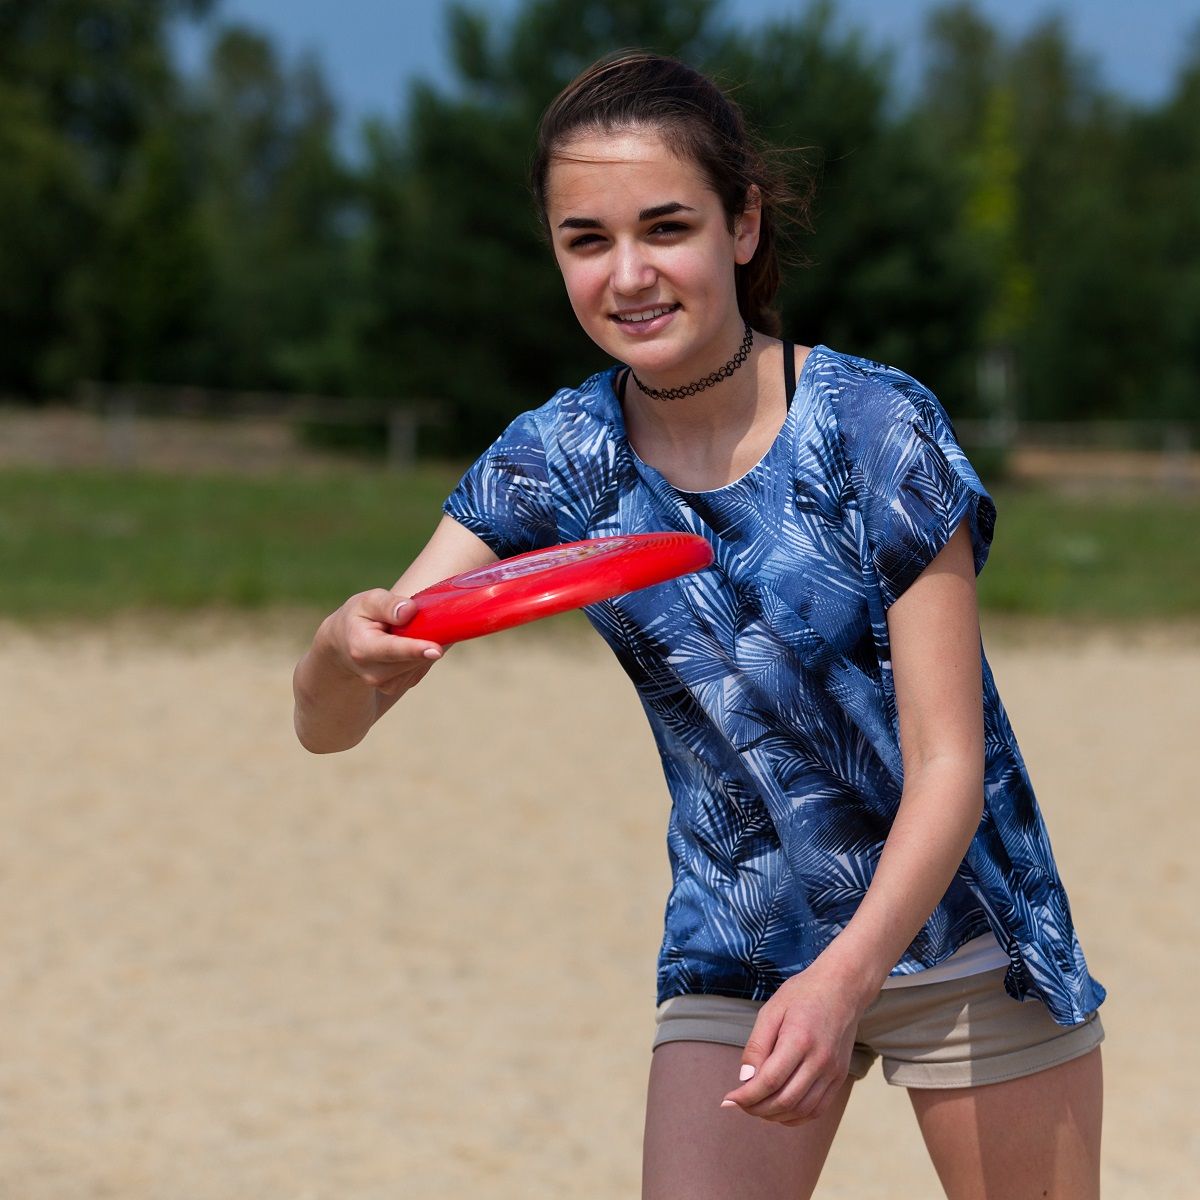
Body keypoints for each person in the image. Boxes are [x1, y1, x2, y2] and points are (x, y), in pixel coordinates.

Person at [292, 50, 1105, 1200]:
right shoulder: (555, 457)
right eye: (586, 240)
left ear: (742, 224)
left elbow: (947, 765)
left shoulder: (877, 429)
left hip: (960, 928)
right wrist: (339, 650)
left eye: (665, 227)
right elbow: (337, 718)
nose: (629, 275)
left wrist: (844, 983)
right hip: (744, 933)